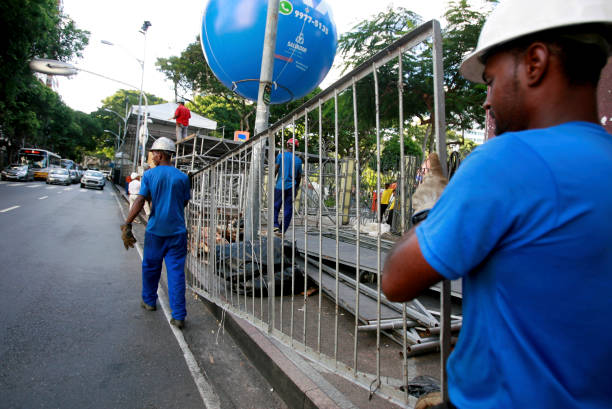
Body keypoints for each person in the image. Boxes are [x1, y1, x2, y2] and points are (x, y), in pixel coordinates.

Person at [382, 0, 612, 408]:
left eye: (491, 80)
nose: (487, 100)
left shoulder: (506, 160)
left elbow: (397, 281)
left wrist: (431, 210)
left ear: (535, 62)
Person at [121, 137, 191, 330]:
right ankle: (178, 316)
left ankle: (149, 301)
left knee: (151, 268)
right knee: (176, 273)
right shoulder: (183, 178)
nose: (152, 157)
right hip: (177, 232)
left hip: (155, 232)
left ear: (160, 155)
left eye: (153, 154)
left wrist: (127, 223)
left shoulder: (150, 176)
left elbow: (140, 201)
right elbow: (183, 203)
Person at [273, 138, 302, 234]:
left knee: (276, 206)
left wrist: (272, 179)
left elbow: (276, 170)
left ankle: (275, 225)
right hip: (291, 187)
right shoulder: (298, 160)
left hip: (280, 186)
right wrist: (296, 188)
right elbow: (298, 177)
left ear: (287, 145)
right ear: (296, 147)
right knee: (288, 208)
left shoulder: (281, 156)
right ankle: (282, 230)